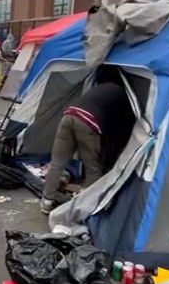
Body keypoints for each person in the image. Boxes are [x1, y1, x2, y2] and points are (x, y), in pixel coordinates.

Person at [41, 81, 134, 215]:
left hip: (69, 115)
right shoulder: (123, 97)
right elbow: (114, 126)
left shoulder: (100, 87)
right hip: (87, 122)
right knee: (93, 167)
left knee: (57, 163)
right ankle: (85, 205)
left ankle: (47, 201)